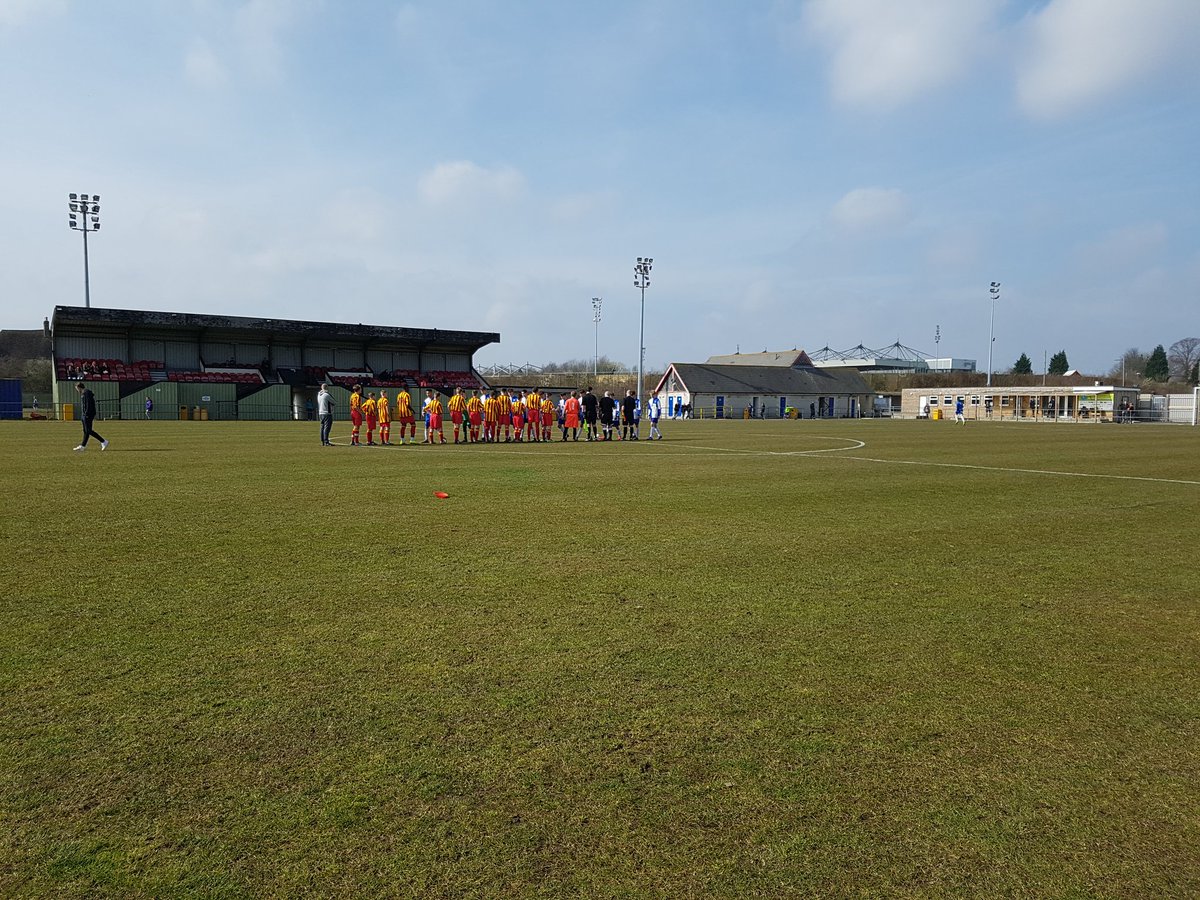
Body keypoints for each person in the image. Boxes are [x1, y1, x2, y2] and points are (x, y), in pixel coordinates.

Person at [73, 381, 108, 451]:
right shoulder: (83, 393)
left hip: (88, 414)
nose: (77, 390)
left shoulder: (86, 393)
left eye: (76, 388)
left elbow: (89, 404)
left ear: (79, 387)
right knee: (85, 431)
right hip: (84, 414)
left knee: (88, 430)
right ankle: (82, 446)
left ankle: (103, 441)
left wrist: (86, 414)